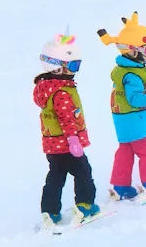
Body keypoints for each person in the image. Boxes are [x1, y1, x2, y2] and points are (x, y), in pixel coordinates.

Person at [98, 12, 146, 199]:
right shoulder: (133, 74)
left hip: (122, 119)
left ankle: (121, 185)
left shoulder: (123, 70)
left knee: (125, 150)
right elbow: (135, 99)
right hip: (136, 118)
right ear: (131, 50)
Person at [34, 32, 100, 228]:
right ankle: (85, 205)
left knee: (55, 176)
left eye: (76, 65)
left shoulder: (46, 87)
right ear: (56, 67)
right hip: (68, 144)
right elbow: (66, 118)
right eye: (72, 66)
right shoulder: (62, 92)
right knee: (83, 173)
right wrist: (73, 140)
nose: (75, 70)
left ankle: (50, 210)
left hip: (52, 144)